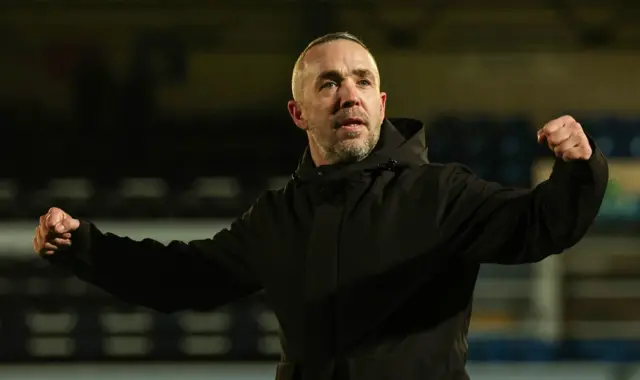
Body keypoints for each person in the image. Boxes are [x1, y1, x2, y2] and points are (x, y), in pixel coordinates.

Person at [33, 32, 609, 380]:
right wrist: (85, 246)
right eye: (330, 83)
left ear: (381, 105)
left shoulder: (443, 193)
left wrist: (579, 169)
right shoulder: (277, 217)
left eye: (362, 81)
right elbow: (178, 278)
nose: (349, 93)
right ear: (298, 112)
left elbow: (539, 227)